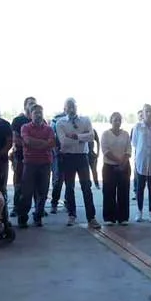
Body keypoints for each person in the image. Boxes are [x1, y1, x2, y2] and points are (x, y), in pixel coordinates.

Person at [53, 98, 101, 229]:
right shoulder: (60, 123)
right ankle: (71, 215)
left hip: (82, 157)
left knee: (86, 187)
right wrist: (82, 137)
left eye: (73, 106)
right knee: (69, 187)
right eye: (68, 106)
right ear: (64, 109)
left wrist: (76, 136)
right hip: (68, 158)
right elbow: (63, 142)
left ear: (77, 107)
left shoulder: (85, 120)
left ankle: (91, 218)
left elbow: (91, 137)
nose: (71, 109)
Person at [17, 103, 55, 228]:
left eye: (40, 112)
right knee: (26, 193)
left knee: (43, 192)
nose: (38, 115)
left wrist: (36, 144)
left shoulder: (49, 129)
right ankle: (23, 218)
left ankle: (38, 217)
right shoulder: (25, 127)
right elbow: (27, 141)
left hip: (45, 164)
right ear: (30, 115)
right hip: (30, 164)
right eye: (35, 113)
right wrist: (44, 143)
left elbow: (51, 143)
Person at [130, 103, 151, 222]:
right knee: (140, 187)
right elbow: (134, 143)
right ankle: (139, 211)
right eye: (146, 111)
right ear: (142, 113)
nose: (148, 113)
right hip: (141, 161)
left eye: (150, 111)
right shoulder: (138, 126)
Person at [100, 112, 132, 225]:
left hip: (124, 166)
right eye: (115, 120)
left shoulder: (126, 134)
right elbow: (105, 151)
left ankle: (123, 218)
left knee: (124, 191)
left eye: (119, 120)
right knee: (109, 191)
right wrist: (118, 161)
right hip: (109, 167)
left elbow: (128, 150)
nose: (117, 122)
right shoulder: (105, 134)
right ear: (111, 121)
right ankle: (109, 218)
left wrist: (123, 162)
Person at [10, 97, 37, 218]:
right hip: (20, 157)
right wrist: (32, 144)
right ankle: (16, 207)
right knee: (19, 183)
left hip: (37, 158)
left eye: (34, 103)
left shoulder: (40, 120)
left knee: (36, 184)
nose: (32, 105)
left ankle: (39, 209)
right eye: (30, 103)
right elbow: (15, 138)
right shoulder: (18, 120)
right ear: (25, 106)